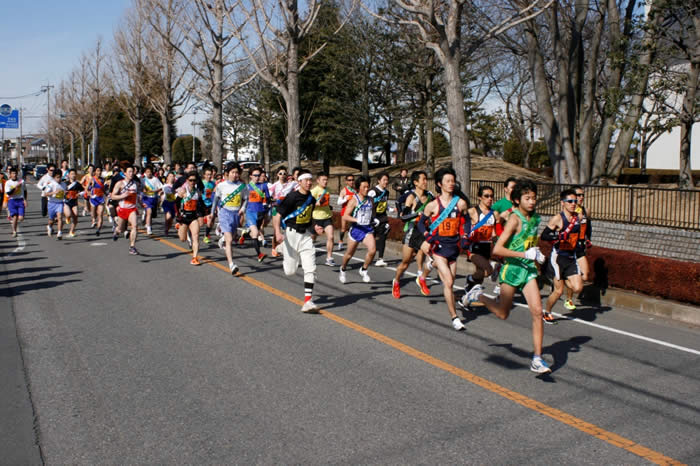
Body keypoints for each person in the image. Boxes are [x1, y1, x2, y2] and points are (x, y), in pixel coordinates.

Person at [464, 179, 552, 374]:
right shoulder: (514, 219)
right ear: (518, 200)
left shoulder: (535, 219)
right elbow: (498, 249)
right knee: (503, 313)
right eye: (527, 198)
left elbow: (529, 243)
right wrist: (524, 254)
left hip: (528, 271)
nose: (532, 202)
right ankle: (476, 295)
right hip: (511, 270)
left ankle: (537, 359)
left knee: (537, 312)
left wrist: (537, 255)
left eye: (534, 198)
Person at [415, 167, 469, 330]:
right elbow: (419, 223)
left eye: (453, 181)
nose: (451, 184)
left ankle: (429, 266)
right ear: (440, 184)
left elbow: (466, 221)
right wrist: (427, 235)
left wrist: (465, 236)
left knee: (449, 284)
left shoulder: (460, 203)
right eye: (448, 181)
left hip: (454, 248)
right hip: (438, 247)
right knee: (449, 282)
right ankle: (454, 317)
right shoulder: (432, 205)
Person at [273, 169, 319, 313]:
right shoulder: (292, 197)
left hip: (305, 236)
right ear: (299, 182)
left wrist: (315, 227)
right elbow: (277, 215)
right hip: (291, 234)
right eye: (306, 180)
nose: (309, 183)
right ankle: (281, 247)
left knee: (310, 268)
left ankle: (307, 301)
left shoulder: (311, 198)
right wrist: (277, 232)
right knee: (290, 271)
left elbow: (309, 218)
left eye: (310, 180)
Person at [540, 188, 585, 323]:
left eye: (575, 201)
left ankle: (564, 279)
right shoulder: (557, 218)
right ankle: (547, 312)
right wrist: (559, 236)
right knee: (558, 291)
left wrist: (583, 242)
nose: (573, 204)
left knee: (578, 287)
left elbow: (580, 233)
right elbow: (544, 235)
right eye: (570, 201)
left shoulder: (579, 216)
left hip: (571, 257)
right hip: (558, 258)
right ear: (562, 203)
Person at [392, 170, 434, 299]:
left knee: (433, 257)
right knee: (405, 263)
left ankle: (422, 278)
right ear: (416, 182)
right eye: (423, 179)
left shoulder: (430, 196)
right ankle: (396, 282)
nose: (426, 182)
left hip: (424, 231)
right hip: (412, 232)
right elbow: (403, 217)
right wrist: (417, 214)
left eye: (426, 179)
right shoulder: (411, 197)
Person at [209, 162, 247, 274]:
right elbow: (216, 200)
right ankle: (231, 264)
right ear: (227, 173)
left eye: (237, 172)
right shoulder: (221, 185)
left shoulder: (242, 186)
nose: (235, 175)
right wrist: (212, 213)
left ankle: (222, 239)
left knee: (233, 236)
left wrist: (243, 209)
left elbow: (246, 199)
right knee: (229, 239)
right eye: (232, 172)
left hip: (236, 214)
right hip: (225, 213)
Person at [339, 175, 376, 284]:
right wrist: (356, 220)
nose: (366, 189)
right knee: (349, 255)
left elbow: (372, 214)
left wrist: (375, 220)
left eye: (368, 187)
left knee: (372, 250)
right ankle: (343, 269)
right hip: (355, 230)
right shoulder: (354, 200)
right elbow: (345, 216)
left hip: (367, 229)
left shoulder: (370, 200)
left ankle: (363, 269)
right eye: (364, 187)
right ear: (358, 188)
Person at [462, 185, 497, 295]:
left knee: (480, 275)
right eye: (486, 196)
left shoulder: (494, 213)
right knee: (488, 270)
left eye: (491, 196)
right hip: (475, 247)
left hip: (487, 247)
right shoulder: (473, 211)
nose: (489, 199)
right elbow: (463, 223)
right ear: (479, 197)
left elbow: (493, 232)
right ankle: (470, 279)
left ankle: (468, 293)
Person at [565, 186, 592, 309]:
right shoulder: (569, 211)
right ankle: (568, 299)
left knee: (585, 276)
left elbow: (589, 226)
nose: (581, 197)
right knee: (574, 279)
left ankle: (566, 280)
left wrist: (588, 239)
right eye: (578, 195)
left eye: (582, 195)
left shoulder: (586, 210)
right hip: (569, 247)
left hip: (580, 246)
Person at [242, 167, 271, 262]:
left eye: (259, 175)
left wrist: (268, 207)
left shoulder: (264, 186)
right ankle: (259, 254)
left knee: (255, 232)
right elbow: (242, 199)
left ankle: (245, 234)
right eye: (255, 175)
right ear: (251, 176)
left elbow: (267, 198)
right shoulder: (246, 187)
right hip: (250, 212)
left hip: (260, 212)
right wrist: (241, 209)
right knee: (255, 233)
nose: (257, 177)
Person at [111, 165, 141, 255]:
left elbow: (137, 195)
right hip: (123, 209)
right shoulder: (120, 183)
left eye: (133, 172)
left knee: (135, 226)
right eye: (129, 172)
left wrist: (141, 202)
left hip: (132, 209)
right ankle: (116, 231)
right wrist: (122, 196)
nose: (131, 173)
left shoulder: (135, 183)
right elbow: (112, 196)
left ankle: (132, 246)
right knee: (120, 229)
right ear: (125, 173)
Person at [175, 172, 204, 265]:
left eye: (194, 180)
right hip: (183, 217)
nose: (192, 182)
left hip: (193, 217)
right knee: (182, 239)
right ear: (187, 180)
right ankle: (179, 227)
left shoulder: (198, 192)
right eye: (190, 180)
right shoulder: (183, 191)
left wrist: (201, 215)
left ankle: (195, 257)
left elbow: (201, 205)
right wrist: (178, 215)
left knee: (195, 236)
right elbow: (176, 204)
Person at [311, 171, 336, 266]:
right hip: (316, 218)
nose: (325, 182)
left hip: (327, 217)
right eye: (323, 180)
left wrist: (329, 207)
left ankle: (329, 257)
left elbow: (326, 202)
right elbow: (309, 204)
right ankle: (308, 252)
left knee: (331, 236)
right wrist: (316, 204)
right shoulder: (314, 191)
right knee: (312, 239)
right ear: (318, 180)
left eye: (326, 180)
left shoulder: (328, 189)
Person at [268, 166, 294, 257]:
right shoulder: (274, 185)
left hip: (287, 209)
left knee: (287, 228)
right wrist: (272, 200)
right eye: (280, 173)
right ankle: (274, 248)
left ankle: (284, 247)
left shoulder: (290, 184)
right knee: (276, 229)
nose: (282, 175)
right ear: (277, 175)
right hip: (276, 208)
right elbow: (268, 196)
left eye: (284, 173)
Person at [368, 172, 391, 267]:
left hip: (383, 217)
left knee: (383, 237)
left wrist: (390, 209)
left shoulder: (386, 192)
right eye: (384, 180)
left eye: (387, 180)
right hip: (373, 218)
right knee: (371, 238)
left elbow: (385, 203)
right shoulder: (373, 191)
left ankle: (380, 258)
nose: (386, 182)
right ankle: (370, 255)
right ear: (379, 181)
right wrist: (373, 218)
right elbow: (368, 205)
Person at [4, 166, 27, 237]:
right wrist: (16, 188)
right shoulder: (8, 183)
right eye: (13, 173)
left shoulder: (21, 181)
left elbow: (25, 191)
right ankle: (14, 231)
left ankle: (15, 228)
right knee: (15, 217)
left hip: (20, 200)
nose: (14, 175)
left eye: (15, 173)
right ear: (10, 174)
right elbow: (9, 193)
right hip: (12, 201)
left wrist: (25, 200)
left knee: (21, 218)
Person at [141, 165, 163, 235]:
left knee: (152, 214)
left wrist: (156, 191)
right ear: (145, 173)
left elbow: (161, 187)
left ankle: (146, 221)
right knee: (149, 212)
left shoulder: (155, 179)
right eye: (147, 172)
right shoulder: (143, 180)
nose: (149, 173)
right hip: (146, 198)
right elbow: (139, 188)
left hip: (154, 198)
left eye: (150, 172)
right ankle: (149, 228)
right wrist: (143, 190)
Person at [45, 169, 67, 239]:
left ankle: (59, 232)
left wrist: (66, 194)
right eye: (57, 177)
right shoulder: (51, 185)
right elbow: (46, 194)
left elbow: (65, 193)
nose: (59, 179)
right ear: (54, 178)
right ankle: (49, 226)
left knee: (60, 217)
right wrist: (54, 193)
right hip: (51, 203)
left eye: (60, 177)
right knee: (51, 220)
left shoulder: (64, 184)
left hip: (60, 203)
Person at [336, 174, 356, 251]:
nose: (351, 182)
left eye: (352, 180)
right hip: (345, 211)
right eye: (349, 180)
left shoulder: (355, 190)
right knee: (343, 229)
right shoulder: (344, 191)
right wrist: (345, 199)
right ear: (346, 181)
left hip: (353, 212)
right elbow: (338, 202)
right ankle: (340, 241)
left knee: (352, 228)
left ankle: (351, 243)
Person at [87, 166, 106, 236]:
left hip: (100, 198)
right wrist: (90, 195)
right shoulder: (92, 179)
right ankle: (93, 220)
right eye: (98, 171)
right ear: (95, 172)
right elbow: (87, 189)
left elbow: (103, 189)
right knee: (93, 213)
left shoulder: (103, 180)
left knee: (100, 214)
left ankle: (98, 229)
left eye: (100, 171)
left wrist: (107, 194)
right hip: (93, 199)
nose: (99, 172)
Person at [63, 169, 82, 237]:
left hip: (74, 202)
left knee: (76, 216)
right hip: (66, 202)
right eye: (71, 174)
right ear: (69, 175)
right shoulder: (65, 183)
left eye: (74, 174)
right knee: (68, 214)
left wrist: (79, 194)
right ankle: (67, 218)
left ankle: (72, 231)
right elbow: (60, 191)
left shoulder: (77, 184)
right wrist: (64, 192)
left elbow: (83, 191)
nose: (73, 175)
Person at [201, 167, 216, 243]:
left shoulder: (213, 183)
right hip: (203, 204)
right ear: (204, 175)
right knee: (201, 223)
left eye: (210, 174)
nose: (209, 176)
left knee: (211, 221)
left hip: (211, 204)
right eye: (207, 175)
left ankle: (206, 235)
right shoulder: (201, 183)